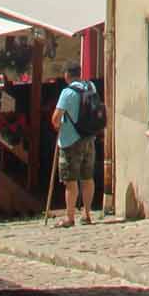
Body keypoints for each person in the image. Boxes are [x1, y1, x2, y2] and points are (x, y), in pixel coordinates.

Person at [51, 64, 97, 226]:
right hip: (89, 139)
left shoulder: (67, 92)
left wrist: (58, 126)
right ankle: (86, 214)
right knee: (87, 177)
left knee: (70, 180)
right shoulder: (91, 87)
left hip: (70, 141)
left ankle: (70, 217)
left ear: (67, 75)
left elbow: (56, 118)